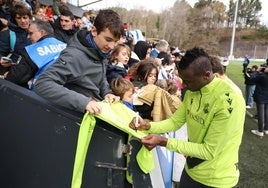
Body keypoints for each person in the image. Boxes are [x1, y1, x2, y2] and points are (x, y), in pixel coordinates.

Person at [129, 47, 246, 187]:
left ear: (206, 75)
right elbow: (175, 121)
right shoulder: (193, 89)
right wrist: (148, 126)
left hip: (216, 180)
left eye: (188, 81)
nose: (184, 85)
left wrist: (164, 142)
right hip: (191, 171)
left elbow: (208, 151)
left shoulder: (229, 102)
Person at [34, 9, 124, 114]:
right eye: (108, 40)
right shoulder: (74, 56)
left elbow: (100, 77)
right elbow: (42, 84)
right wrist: (84, 103)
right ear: (94, 31)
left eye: (115, 42)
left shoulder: (100, 50)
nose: (111, 47)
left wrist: (106, 93)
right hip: (75, 116)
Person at [4, 19, 66, 89]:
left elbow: (16, 77)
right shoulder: (65, 46)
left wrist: (8, 75)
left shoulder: (33, 51)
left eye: (31, 33)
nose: (28, 37)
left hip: (36, 93)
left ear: (42, 33)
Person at [0, 2, 32, 74]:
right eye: (18, 18)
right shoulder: (7, 34)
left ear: (29, 18)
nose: (22, 21)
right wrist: (1, 59)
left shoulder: (35, 31)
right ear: (14, 20)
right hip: (12, 72)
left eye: (25, 17)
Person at [245, 66, 268, 137]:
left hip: (261, 95)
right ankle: (266, 129)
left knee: (261, 113)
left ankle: (260, 131)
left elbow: (250, 79)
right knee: (267, 112)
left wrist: (257, 71)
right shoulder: (263, 75)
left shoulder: (262, 76)